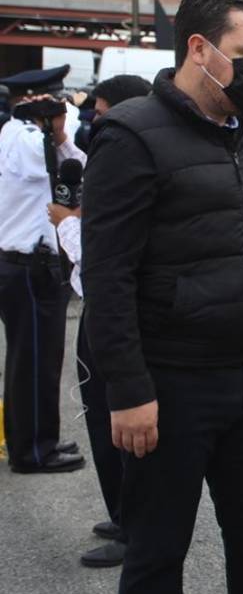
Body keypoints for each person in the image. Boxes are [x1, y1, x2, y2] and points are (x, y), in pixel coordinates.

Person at [82, 0, 243, 594]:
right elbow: (106, 274)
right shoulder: (131, 136)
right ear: (199, 49)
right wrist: (127, 390)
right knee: (158, 550)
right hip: (173, 382)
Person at [49, 74, 151, 568]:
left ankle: (134, 526)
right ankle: (123, 512)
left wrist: (67, 225)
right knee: (103, 424)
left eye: (103, 113)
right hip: (106, 314)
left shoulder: (130, 165)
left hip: (116, 316)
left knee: (123, 428)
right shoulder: (111, 159)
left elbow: (100, 263)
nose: (95, 123)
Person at [0, 65, 86, 475]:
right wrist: (49, 126)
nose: (67, 112)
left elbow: (74, 161)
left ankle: (37, 436)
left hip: (34, 264)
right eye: (59, 105)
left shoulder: (33, 137)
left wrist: (59, 131)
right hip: (28, 264)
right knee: (33, 360)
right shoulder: (21, 137)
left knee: (39, 358)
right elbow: (47, 162)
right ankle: (33, 449)